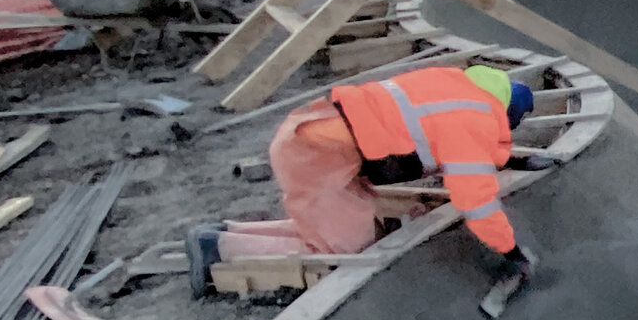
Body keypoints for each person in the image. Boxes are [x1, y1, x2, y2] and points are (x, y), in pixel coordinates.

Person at [190, 63, 536, 297]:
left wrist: (513, 159)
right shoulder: (476, 120)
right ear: (505, 113)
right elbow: (475, 199)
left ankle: (224, 233)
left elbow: (452, 137)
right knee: (345, 253)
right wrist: (509, 249)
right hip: (316, 152)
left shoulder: (457, 88)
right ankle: (220, 251)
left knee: (337, 228)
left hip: (315, 138)